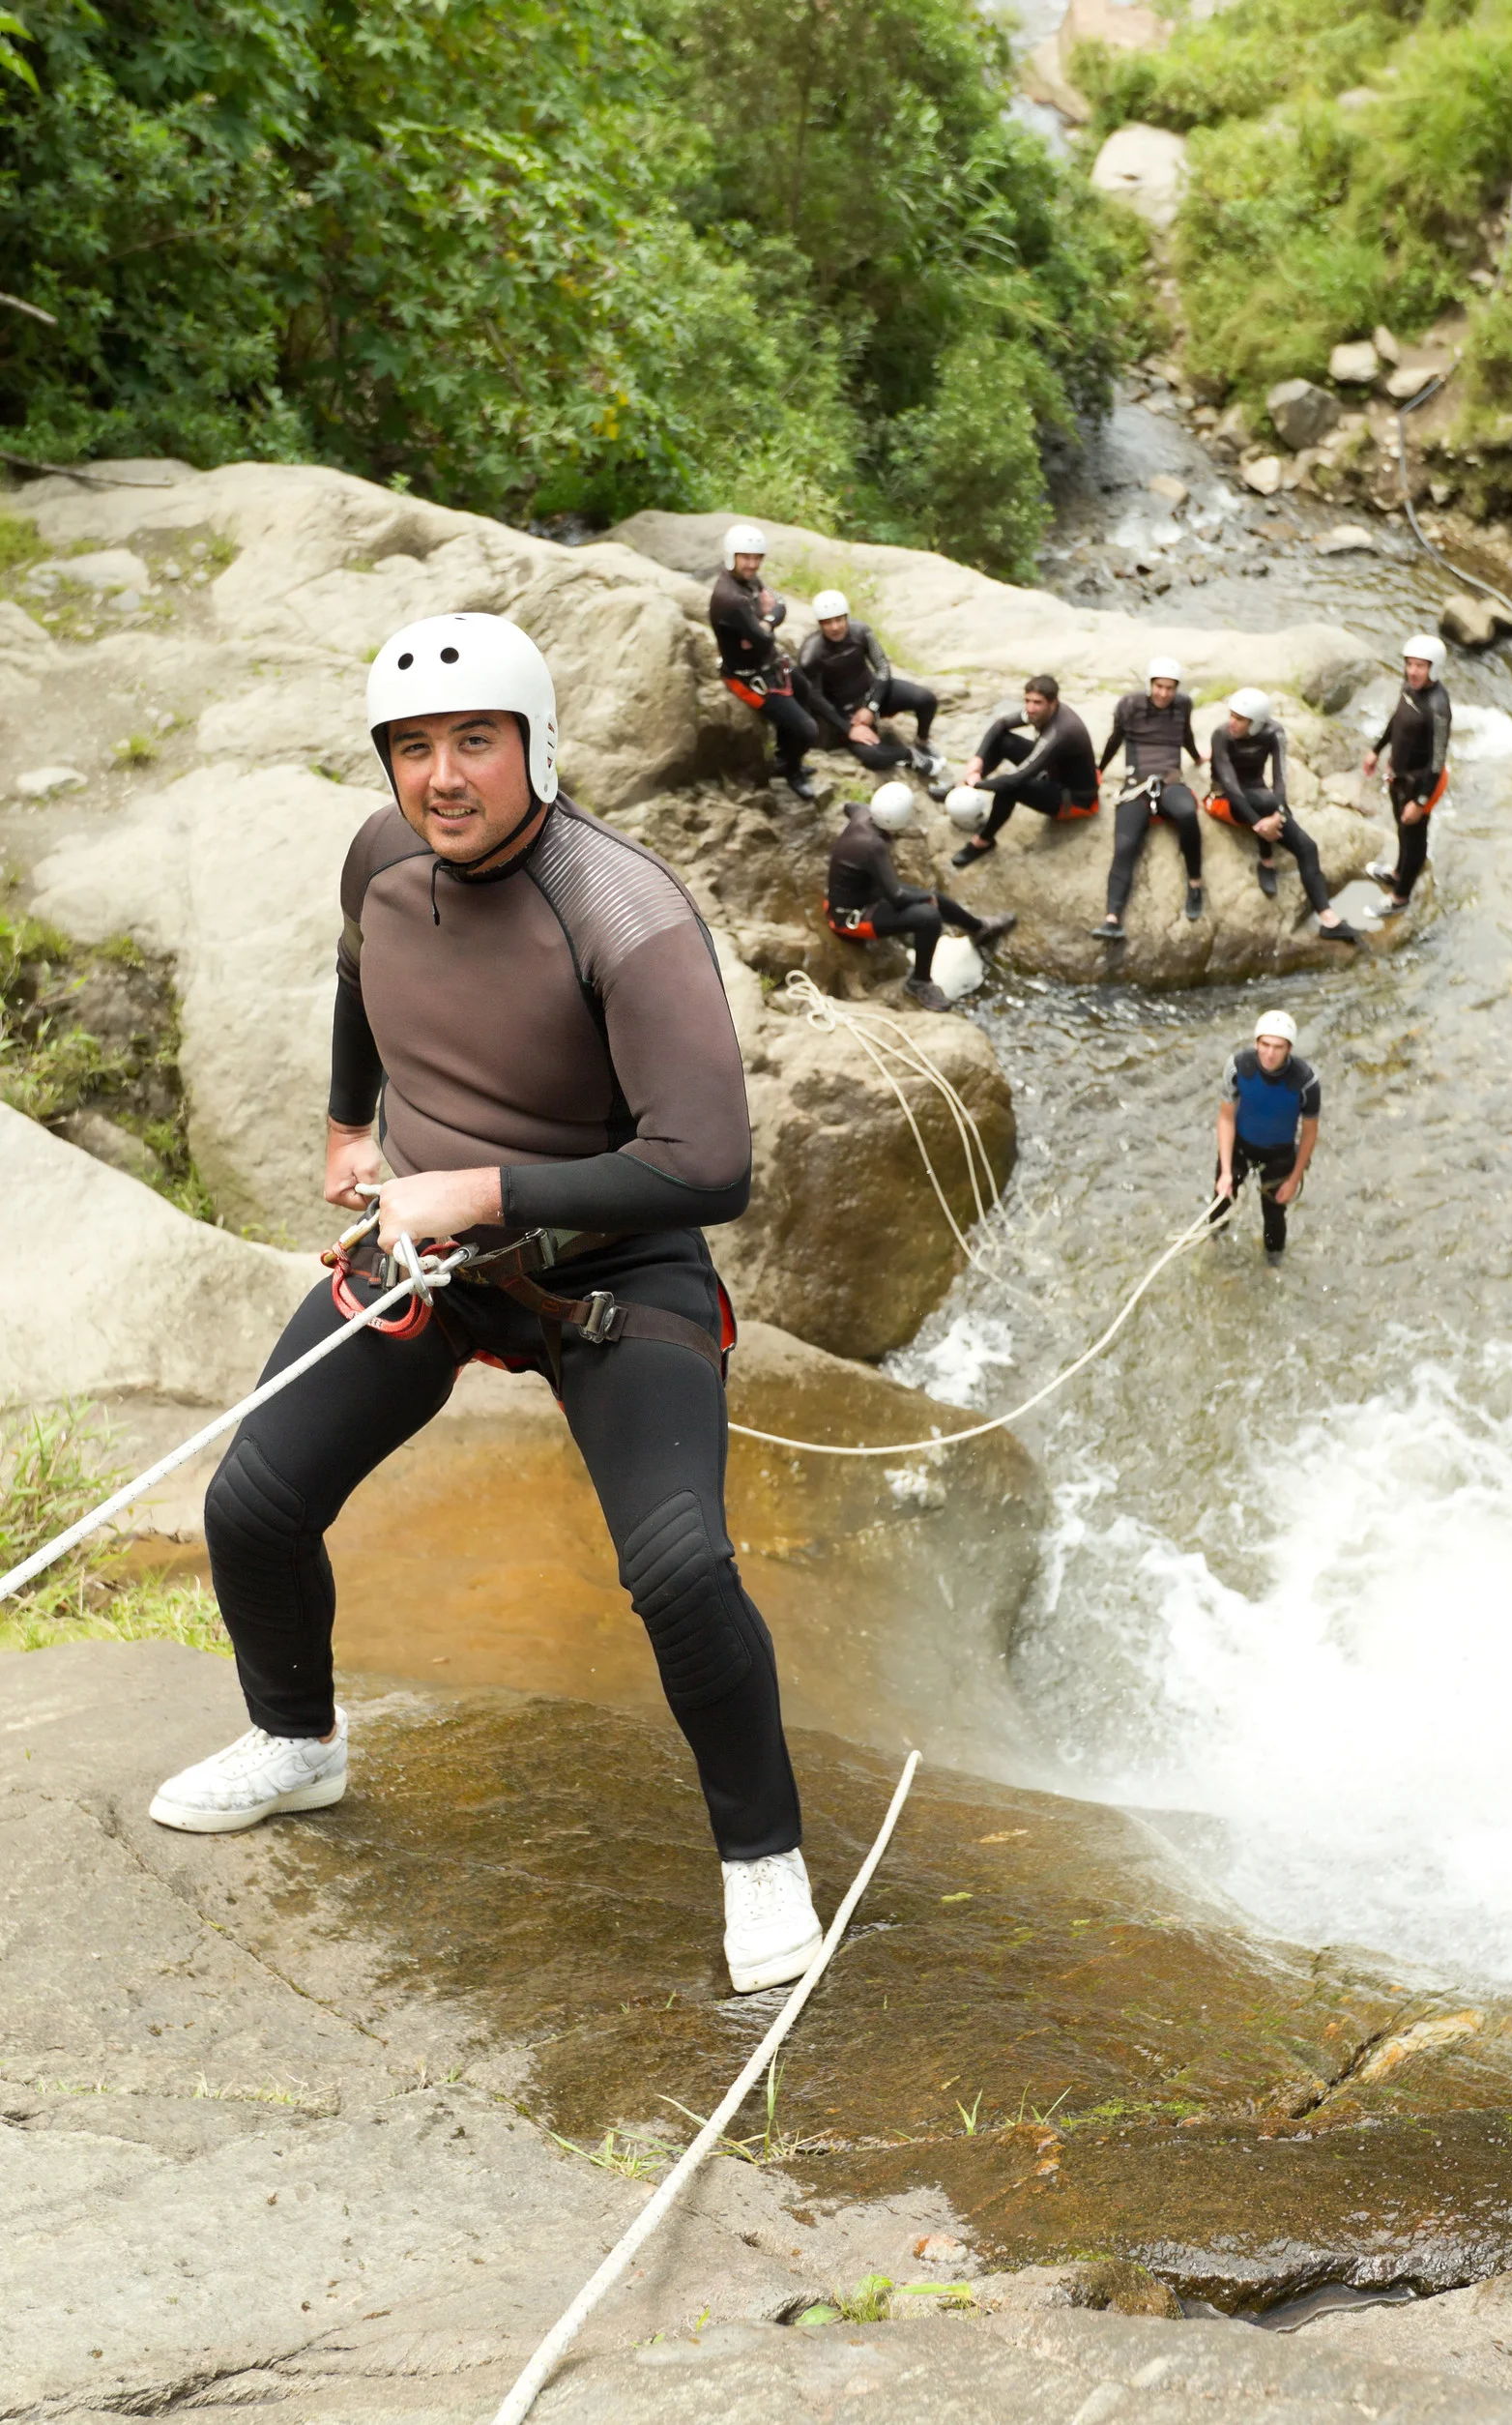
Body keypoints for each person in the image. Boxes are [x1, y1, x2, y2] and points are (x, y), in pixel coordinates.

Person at [147, 613, 822, 2000]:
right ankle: (300, 1742)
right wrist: (351, 1127)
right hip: (432, 1254)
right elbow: (358, 975)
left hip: (608, 1272)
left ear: (538, 749)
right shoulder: (381, 857)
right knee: (252, 1504)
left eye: (473, 743)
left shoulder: (625, 914)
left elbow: (710, 1167)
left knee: (681, 1568)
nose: (441, 777)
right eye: (412, 749)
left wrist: (487, 1192)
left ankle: (763, 1861)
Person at [826, 782, 1014, 1010]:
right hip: (848, 919)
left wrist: (926, 896)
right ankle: (919, 981)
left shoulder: (864, 815)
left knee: (933, 897)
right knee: (928, 916)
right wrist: (924, 899)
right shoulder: (873, 845)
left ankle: (978, 928)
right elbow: (896, 897)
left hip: (863, 895)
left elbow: (851, 806)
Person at [1207, 688, 1360, 944]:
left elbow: (1280, 778)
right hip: (1223, 799)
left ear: (1255, 724)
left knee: (1307, 847)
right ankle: (1266, 858)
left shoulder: (1273, 733)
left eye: (1240, 719)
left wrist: (1277, 814)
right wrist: (1260, 824)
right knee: (1265, 802)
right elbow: (1230, 786)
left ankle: (1329, 919)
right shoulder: (1221, 736)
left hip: (1261, 797)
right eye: (1232, 716)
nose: (1232, 722)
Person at [1091, 657, 1205, 943]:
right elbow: (1115, 739)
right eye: (1159, 687)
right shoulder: (1129, 706)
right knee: (1126, 845)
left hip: (1170, 781)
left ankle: (1195, 884)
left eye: (1170, 688)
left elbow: (1185, 734)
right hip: (1136, 785)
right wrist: (1099, 770)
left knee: (1188, 814)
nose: (1164, 694)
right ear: (1149, 685)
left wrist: (1196, 758)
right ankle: (1112, 919)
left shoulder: (1183, 705)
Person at [709, 521, 818, 802]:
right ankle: (791, 770)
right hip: (748, 678)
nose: (753, 564)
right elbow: (764, 639)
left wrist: (766, 621)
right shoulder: (730, 598)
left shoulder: (748, 581)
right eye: (746, 557)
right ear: (732, 556)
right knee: (808, 730)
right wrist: (765, 626)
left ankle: (785, 755)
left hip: (769, 664)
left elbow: (780, 605)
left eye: (757, 558)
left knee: (805, 691)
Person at [948, 675, 1099, 869]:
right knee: (1004, 741)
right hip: (1053, 771)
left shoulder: (1061, 732)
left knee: (1010, 789)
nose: (1030, 708)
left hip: (1075, 798)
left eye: (1037, 703)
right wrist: (977, 761)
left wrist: (977, 785)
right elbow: (1000, 725)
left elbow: (1016, 779)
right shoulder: (1041, 713)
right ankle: (962, 787)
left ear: (1053, 702)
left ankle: (983, 841)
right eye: (1027, 701)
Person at [1211, 1008, 1321, 1266]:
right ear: (1256, 1043)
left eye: (1278, 1047)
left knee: (1274, 1215)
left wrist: (1294, 1179)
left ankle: (1273, 1265)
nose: (1270, 1054)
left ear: (1289, 1049)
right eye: (1265, 1045)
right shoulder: (1238, 1067)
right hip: (1240, 1147)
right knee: (1221, 1200)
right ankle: (1212, 1243)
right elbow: (1226, 1117)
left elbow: (1309, 1134)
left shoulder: (1306, 1083)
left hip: (1279, 1155)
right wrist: (1226, 1171)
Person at [798, 591, 943, 778]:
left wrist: (871, 706)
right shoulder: (810, 654)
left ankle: (922, 741)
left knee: (926, 699)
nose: (835, 627)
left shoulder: (861, 631)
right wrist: (848, 728)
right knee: (874, 757)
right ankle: (909, 755)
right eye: (828, 622)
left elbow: (883, 668)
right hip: (846, 712)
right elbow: (815, 698)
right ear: (819, 624)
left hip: (872, 694)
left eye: (839, 620)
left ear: (846, 618)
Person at [1361, 633, 1452, 915]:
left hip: (1422, 783)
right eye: (1409, 664)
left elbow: (1438, 761)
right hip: (1399, 775)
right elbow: (1397, 720)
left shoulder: (1438, 707)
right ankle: (1398, 872)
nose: (1412, 671)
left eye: (1420, 666)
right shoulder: (1409, 687)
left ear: (1433, 668)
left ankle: (1400, 899)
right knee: (1402, 829)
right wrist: (1377, 750)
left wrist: (1421, 801)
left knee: (1415, 838)